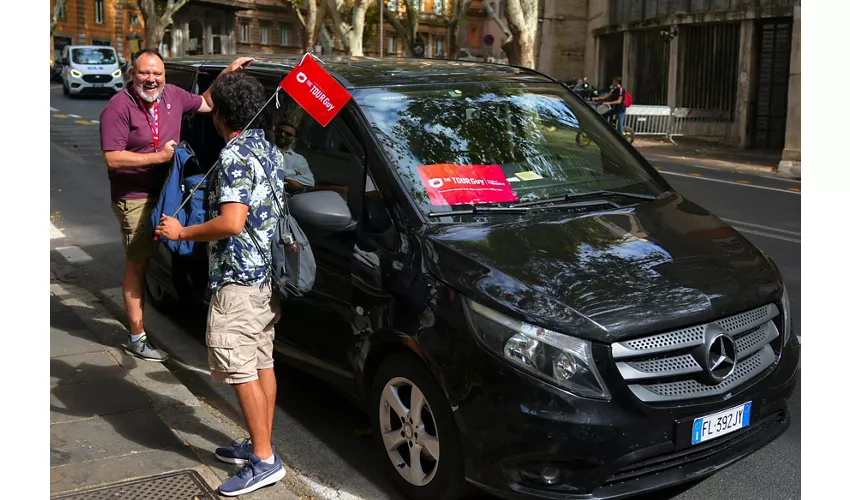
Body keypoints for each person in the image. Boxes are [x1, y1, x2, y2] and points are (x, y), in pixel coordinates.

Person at [154, 72, 287, 497]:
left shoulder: (233, 156)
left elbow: (232, 222)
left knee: (241, 368)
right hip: (265, 277)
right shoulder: (267, 148)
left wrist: (181, 233)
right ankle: (260, 443)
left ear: (222, 116)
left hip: (239, 281)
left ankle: (264, 460)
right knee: (262, 362)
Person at [99, 49, 253, 362]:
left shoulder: (174, 96)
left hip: (170, 189)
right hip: (136, 197)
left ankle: (181, 302)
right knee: (139, 263)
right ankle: (137, 337)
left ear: (165, 75)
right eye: (144, 73)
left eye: (157, 74)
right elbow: (112, 158)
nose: (151, 79)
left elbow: (208, 103)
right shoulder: (118, 107)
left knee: (180, 247)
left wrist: (229, 72)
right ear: (133, 74)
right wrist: (157, 157)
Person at [275, 122, 315, 193]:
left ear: (294, 139)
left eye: (288, 134)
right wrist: (292, 172)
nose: (282, 134)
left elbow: (310, 181)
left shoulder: (299, 159)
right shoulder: (263, 151)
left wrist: (286, 180)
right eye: (280, 131)